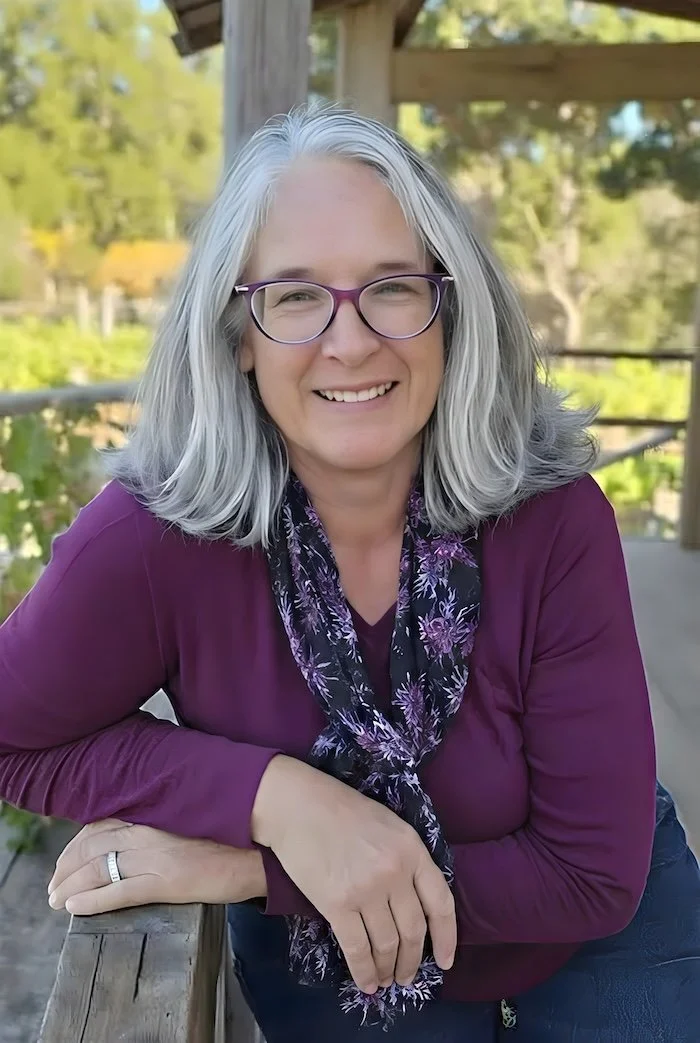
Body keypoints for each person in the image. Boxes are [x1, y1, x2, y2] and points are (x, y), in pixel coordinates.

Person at [1, 105, 699, 1043]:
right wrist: (276, 799)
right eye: (294, 297)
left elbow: (586, 874)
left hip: (596, 936)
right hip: (327, 952)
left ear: (449, 307)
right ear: (237, 334)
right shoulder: (153, 537)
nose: (351, 339)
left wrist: (253, 865)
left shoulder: (554, 517)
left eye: (393, 287)